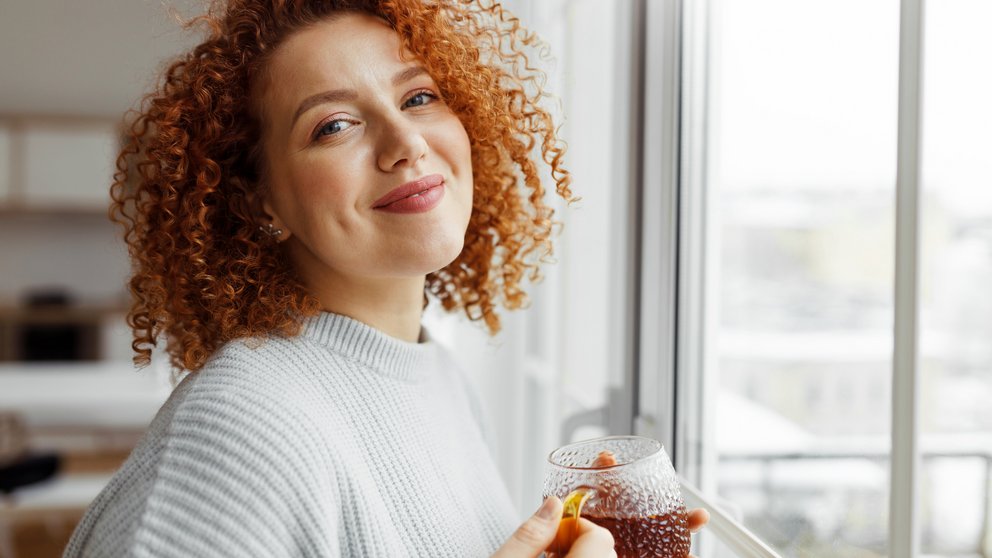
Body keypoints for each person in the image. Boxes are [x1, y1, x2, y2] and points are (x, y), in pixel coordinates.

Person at [64, 0, 708, 556]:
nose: (405, 141)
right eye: (334, 125)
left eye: (419, 97)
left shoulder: (443, 382)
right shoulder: (240, 428)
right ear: (259, 201)